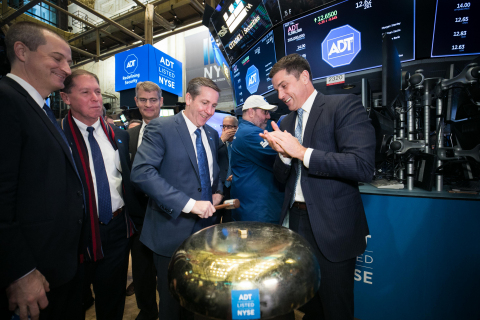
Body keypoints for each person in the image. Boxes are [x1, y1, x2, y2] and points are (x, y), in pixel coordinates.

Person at [260, 53, 375, 320]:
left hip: (332, 225)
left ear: (304, 77)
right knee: (307, 303)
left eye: (284, 85)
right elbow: (281, 178)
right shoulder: (286, 122)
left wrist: (301, 152)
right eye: (276, 89)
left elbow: (362, 166)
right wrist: (283, 156)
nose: (280, 95)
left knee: (336, 306)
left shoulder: (343, 106)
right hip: (295, 223)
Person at [0, 21, 84, 320]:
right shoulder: (6, 100)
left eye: (69, 62)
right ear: (22, 52)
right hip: (31, 275)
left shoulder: (40, 107)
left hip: (55, 269)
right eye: (57, 58)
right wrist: (20, 271)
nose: (67, 68)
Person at [131, 77, 223, 320]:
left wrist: (218, 192)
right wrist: (190, 205)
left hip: (205, 234)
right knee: (172, 305)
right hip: (170, 232)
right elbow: (142, 173)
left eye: (214, 106)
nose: (209, 111)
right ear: (189, 98)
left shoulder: (212, 135)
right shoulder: (161, 128)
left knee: (199, 301)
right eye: (204, 103)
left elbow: (216, 173)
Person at [60, 69, 142, 320]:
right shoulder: (57, 136)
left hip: (117, 230)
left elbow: (123, 179)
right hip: (75, 236)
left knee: (112, 301)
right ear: (66, 98)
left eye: (97, 91)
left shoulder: (118, 135)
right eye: (85, 92)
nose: (96, 98)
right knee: (71, 305)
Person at [126, 81, 163, 320]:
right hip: (138, 217)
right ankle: (147, 311)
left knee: (170, 272)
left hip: (169, 216)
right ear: (136, 102)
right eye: (143, 100)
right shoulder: (126, 136)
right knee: (141, 272)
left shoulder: (177, 131)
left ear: (161, 101)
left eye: (153, 100)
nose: (148, 105)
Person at [230, 95, 284, 223]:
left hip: (253, 206)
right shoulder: (250, 133)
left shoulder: (244, 130)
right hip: (258, 208)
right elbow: (281, 156)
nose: (268, 117)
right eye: (265, 112)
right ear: (251, 112)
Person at [217, 115, 238, 222]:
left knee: (229, 219)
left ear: (236, 128)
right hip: (219, 187)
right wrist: (221, 140)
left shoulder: (240, 143)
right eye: (224, 126)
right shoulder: (217, 142)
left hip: (234, 187)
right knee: (215, 218)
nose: (226, 129)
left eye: (229, 126)